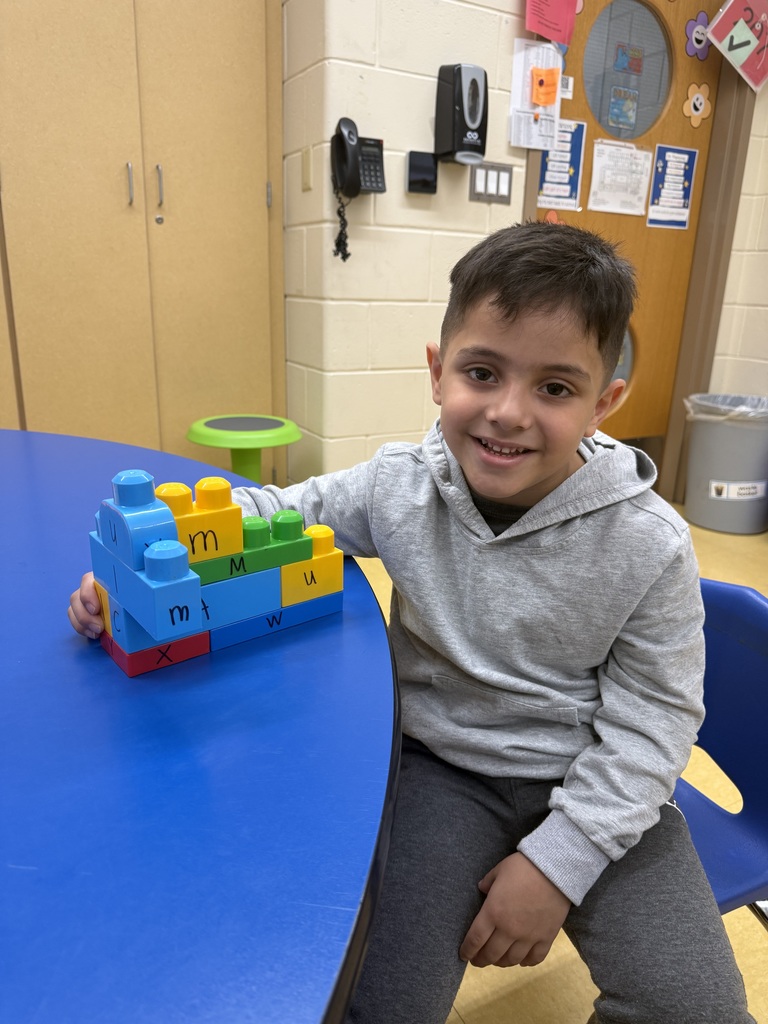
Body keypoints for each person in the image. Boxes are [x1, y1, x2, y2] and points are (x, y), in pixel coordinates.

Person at [69, 221, 754, 1024]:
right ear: (438, 373)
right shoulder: (401, 485)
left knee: (698, 1010)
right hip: (441, 772)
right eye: (482, 371)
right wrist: (151, 565)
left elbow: (654, 725)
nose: (508, 413)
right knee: (378, 1004)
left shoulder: (650, 544)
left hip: (601, 787)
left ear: (605, 403)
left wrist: (559, 864)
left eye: (556, 389)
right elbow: (276, 517)